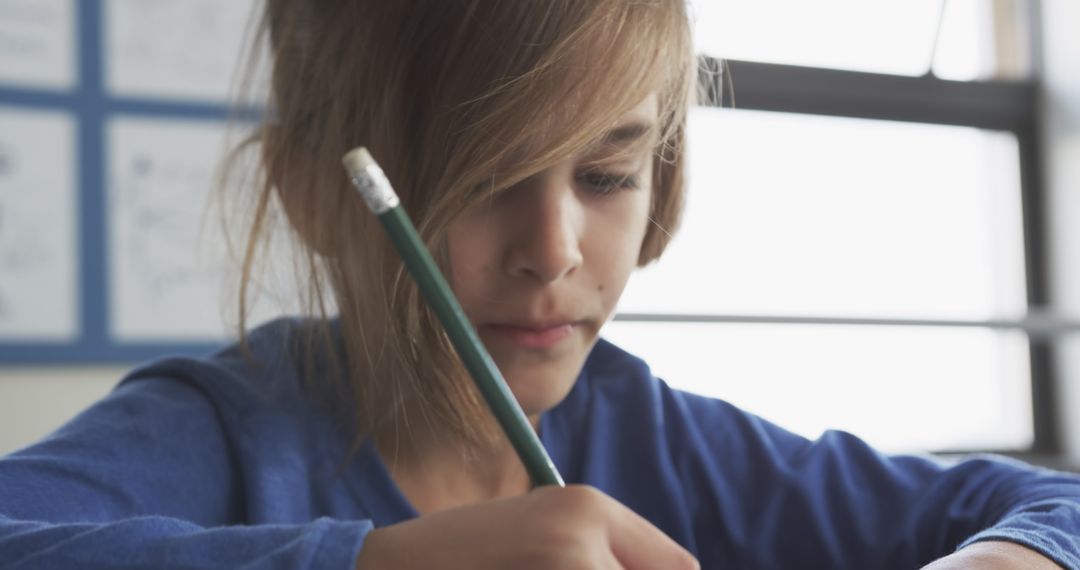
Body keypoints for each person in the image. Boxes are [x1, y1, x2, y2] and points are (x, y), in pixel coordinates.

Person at [2, 0, 1079, 568]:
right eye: (483, 181)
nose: (554, 250)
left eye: (607, 176)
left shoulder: (670, 443)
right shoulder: (222, 435)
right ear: (317, 195)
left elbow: (1047, 504)